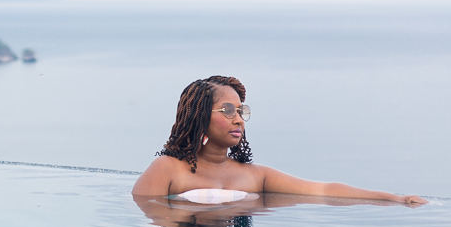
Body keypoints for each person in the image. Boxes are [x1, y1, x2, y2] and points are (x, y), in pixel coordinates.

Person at [132, 75, 427, 206]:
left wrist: (395, 199)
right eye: (228, 111)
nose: (238, 119)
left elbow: (323, 191)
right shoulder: (168, 169)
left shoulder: (255, 176)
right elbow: (144, 218)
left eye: (242, 111)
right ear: (199, 117)